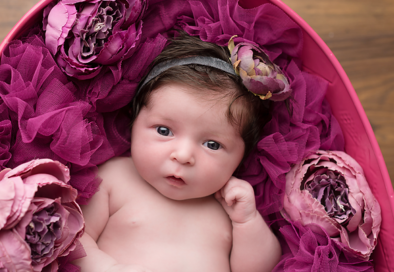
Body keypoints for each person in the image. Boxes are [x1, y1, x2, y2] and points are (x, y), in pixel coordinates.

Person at [73, 33, 281, 272]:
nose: (183, 156)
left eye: (212, 145)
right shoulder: (115, 177)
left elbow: (259, 269)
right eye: (164, 130)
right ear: (134, 121)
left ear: (241, 157)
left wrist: (247, 221)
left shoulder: (228, 205)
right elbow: (76, 238)